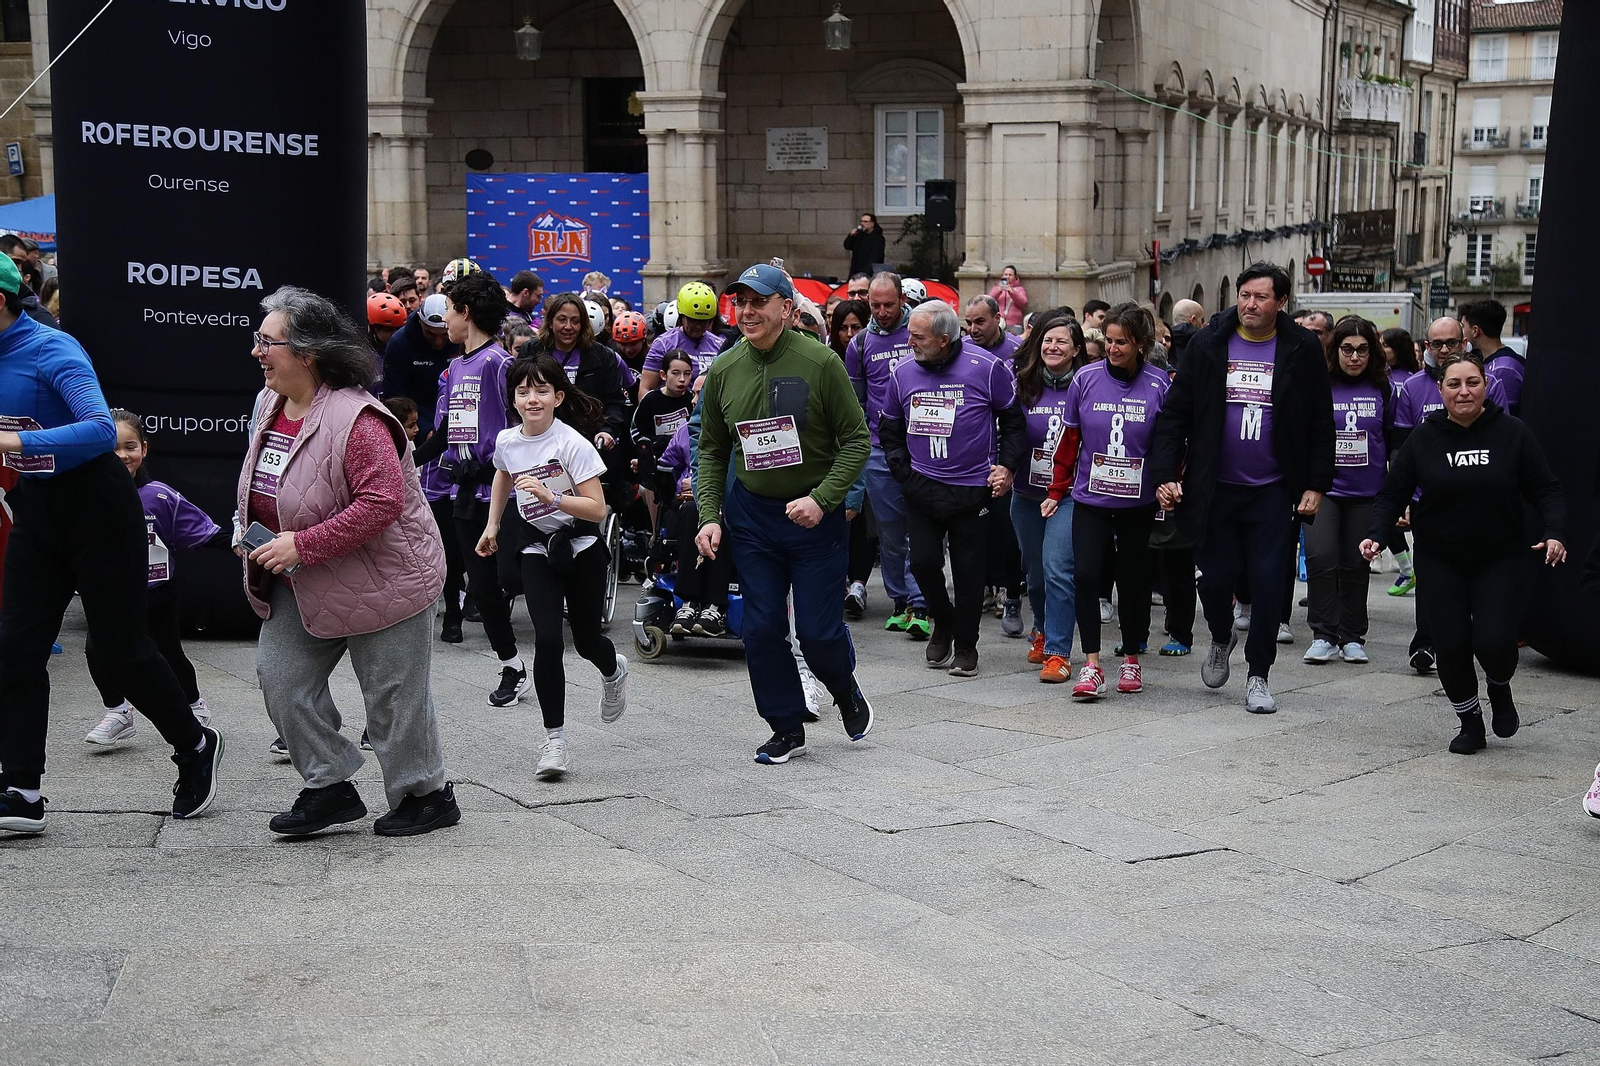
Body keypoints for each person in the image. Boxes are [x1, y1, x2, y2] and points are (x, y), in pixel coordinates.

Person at [0, 255, 222, 833]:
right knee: (15, 649)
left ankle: (195, 746)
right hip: (37, 509)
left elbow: (101, 430)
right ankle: (22, 791)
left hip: (99, 507)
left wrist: (14, 439)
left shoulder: (53, 349)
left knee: (121, 650)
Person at [240, 286, 456, 837]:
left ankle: (425, 796)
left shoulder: (358, 419)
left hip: (386, 578)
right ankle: (330, 785)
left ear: (308, 353)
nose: (257, 352)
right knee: (281, 681)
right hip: (304, 576)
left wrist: (302, 544)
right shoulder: (270, 403)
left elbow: (381, 502)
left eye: (268, 342)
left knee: (392, 697)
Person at [694, 263, 873, 764]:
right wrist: (710, 514)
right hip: (753, 518)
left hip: (814, 518)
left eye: (758, 302)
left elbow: (857, 440)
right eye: (740, 303)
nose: (747, 312)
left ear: (787, 309)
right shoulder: (725, 369)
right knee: (761, 627)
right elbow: (710, 449)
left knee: (817, 635)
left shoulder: (820, 362)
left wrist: (824, 498)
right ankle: (785, 726)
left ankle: (844, 688)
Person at [1150, 262, 1335, 715]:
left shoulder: (1301, 347)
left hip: (1274, 491)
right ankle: (1219, 635)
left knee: (1271, 584)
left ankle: (1258, 674)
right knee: (1213, 580)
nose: (1250, 304)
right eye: (1245, 295)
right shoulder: (1210, 343)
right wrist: (1165, 474)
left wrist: (1316, 484)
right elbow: (1175, 415)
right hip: (1215, 489)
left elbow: (1319, 421)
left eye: (1260, 297)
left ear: (1281, 303)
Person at [1361, 349, 1566, 755]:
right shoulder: (1425, 437)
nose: (1464, 391)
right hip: (1440, 558)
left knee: (1493, 641)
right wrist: (1376, 534)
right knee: (1451, 643)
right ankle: (1470, 720)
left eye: (1472, 382)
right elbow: (1391, 494)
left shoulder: (1513, 433)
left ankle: (1500, 687)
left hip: (1500, 556)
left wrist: (1555, 531)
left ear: (1486, 386)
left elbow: (1547, 489)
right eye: (1454, 384)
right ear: (1441, 390)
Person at [475, 354, 628, 779]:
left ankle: (614, 670)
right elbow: (503, 475)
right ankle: (555, 742)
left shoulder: (571, 444)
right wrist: (492, 525)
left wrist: (550, 497)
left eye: (542, 390)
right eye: (523, 391)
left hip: (580, 548)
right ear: (514, 399)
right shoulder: (507, 440)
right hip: (536, 548)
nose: (532, 399)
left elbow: (598, 509)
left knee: (585, 641)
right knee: (546, 639)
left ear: (558, 397)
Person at [879, 300, 1026, 678]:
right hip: (921, 487)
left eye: (917, 336)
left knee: (968, 571)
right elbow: (889, 430)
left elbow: (1013, 421)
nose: (909, 341)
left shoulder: (986, 367)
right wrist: (903, 473)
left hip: (971, 489)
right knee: (924, 563)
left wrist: (1006, 467)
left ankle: (965, 644)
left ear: (944, 339)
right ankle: (943, 620)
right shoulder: (903, 373)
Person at [1048, 304, 1170, 699]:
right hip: (1091, 497)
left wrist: (1170, 483)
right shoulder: (1084, 379)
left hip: (1138, 501)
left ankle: (1131, 658)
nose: (1113, 349)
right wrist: (1056, 490)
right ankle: (1093, 664)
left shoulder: (1159, 383)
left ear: (1141, 344)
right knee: (1086, 575)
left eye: (1122, 342)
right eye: (1109, 341)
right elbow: (1068, 442)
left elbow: (1169, 444)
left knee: (1132, 579)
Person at [84, 409, 227, 746]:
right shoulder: (87, 494)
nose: (122, 456)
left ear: (144, 449)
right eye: (112, 448)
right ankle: (118, 712)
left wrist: (241, 543)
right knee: (96, 649)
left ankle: (195, 706)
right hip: (109, 591)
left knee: (167, 652)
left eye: (130, 447)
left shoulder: (160, 496)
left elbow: (204, 531)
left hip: (157, 590)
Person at [429, 271, 527, 704]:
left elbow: (525, 423)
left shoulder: (498, 363)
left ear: (465, 313)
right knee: (483, 588)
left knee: (509, 577)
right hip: (464, 493)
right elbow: (447, 428)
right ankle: (513, 665)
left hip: (502, 493)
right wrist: (408, 458)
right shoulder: (453, 368)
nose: (444, 319)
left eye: (448, 310)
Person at [1393, 315, 1509, 668]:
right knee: (1430, 575)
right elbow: (1401, 448)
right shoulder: (1412, 387)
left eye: (1451, 343)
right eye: (1436, 344)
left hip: (1481, 502)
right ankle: (1425, 642)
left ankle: (1474, 640)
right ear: (1426, 347)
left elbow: (1504, 438)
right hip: (1429, 500)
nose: (1444, 350)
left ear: (1465, 342)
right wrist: (1403, 499)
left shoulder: (1490, 384)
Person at [1303, 317, 1395, 665]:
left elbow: (1390, 436)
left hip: (1367, 491)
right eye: (1346, 349)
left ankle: (1352, 635)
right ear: (1334, 349)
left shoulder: (1382, 387)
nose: (1354, 357)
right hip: (1324, 490)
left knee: (1357, 562)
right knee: (1322, 556)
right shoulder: (1320, 385)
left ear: (1371, 353)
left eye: (1362, 350)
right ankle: (1324, 633)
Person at [845, 272, 928, 636]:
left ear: (902, 300)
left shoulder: (922, 331)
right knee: (892, 533)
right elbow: (856, 402)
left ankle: (920, 601)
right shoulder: (860, 344)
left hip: (925, 447)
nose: (881, 311)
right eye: (874, 305)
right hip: (880, 449)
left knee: (922, 528)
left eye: (888, 305)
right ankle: (899, 600)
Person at [382, 293, 467, 642]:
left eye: (442, 334)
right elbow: (396, 398)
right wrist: (416, 428)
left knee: (450, 529)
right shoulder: (401, 344)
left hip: (448, 435)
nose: (437, 341)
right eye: (432, 334)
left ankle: (456, 605)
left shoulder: (459, 349)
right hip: (414, 426)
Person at [1014, 311, 1084, 681]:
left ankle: (1058, 652)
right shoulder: (1021, 384)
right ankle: (1040, 628)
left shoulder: (1086, 384)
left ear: (1075, 349)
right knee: (1035, 574)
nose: (1053, 347)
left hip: (1068, 496)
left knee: (1058, 570)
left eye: (1061, 341)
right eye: (1047, 340)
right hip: (1026, 493)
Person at [965, 293, 1028, 635]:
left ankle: (1009, 586)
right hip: (975, 449)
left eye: (980, 322)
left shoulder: (1018, 350)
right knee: (979, 522)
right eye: (969, 323)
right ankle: (985, 585)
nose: (973, 329)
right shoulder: (961, 350)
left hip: (1009, 445)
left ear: (998, 318)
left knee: (1006, 523)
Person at [631, 350, 696, 532]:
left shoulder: (692, 399)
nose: (682, 379)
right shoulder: (651, 400)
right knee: (647, 489)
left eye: (687, 374)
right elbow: (637, 432)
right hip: (657, 462)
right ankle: (656, 533)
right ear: (663, 375)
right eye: (675, 373)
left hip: (685, 462)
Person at [1379, 325, 1421, 592]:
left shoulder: (1406, 382)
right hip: (1384, 455)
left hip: (1399, 456)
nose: (1381, 350)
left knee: (1391, 515)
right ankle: (1407, 570)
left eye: (1386, 345)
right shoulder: (1383, 377)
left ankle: (1408, 571)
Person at [639, 282, 725, 397]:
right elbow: (646, 388)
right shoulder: (663, 344)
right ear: (681, 316)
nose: (698, 326)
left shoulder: (720, 345)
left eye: (704, 322)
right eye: (693, 321)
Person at [1459, 298, 1524, 416]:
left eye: (1463, 326)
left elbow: (1505, 417)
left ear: (1475, 331)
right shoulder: (1483, 360)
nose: (1461, 332)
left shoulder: (1504, 369)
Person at [844, 213, 886, 279]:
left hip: (869, 272)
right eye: (861, 221)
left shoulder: (878, 238)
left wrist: (865, 273)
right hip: (856, 269)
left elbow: (875, 257)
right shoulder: (859, 235)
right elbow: (848, 246)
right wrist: (851, 236)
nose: (862, 224)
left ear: (872, 224)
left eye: (866, 222)